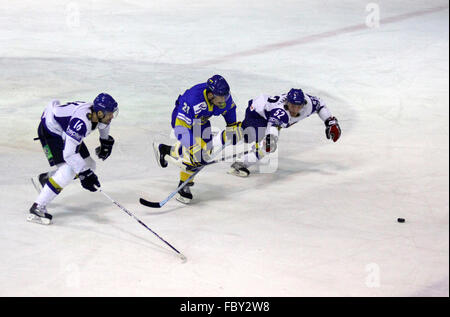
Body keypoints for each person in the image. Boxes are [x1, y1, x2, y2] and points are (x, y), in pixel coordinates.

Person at [28, 93, 119, 225]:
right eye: (110, 113)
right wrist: (83, 174)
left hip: (65, 132)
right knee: (68, 170)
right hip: (50, 131)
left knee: (89, 165)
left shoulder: (97, 116)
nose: (112, 116)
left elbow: (104, 125)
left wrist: (104, 141)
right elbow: (69, 154)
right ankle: (37, 208)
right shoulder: (81, 123)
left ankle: (47, 180)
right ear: (99, 113)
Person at [153, 75, 242, 204]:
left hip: (201, 121)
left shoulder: (223, 97)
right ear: (211, 94)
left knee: (203, 154)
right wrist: (193, 147)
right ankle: (184, 185)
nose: (224, 100)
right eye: (221, 97)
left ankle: (165, 150)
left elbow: (229, 109)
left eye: (225, 96)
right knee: (195, 154)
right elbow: (180, 128)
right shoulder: (193, 100)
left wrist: (232, 126)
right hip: (182, 120)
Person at [228, 88, 341, 177]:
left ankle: (240, 164)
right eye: (292, 105)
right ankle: (230, 134)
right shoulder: (280, 112)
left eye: (298, 106)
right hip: (257, 114)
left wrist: (330, 122)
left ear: (303, 104)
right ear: (287, 102)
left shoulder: (309, 104)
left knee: (266, 149)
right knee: (251, 137)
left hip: (269, 115)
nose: (295, 109)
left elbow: (320, 104)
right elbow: (273, 126)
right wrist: (270, 139)